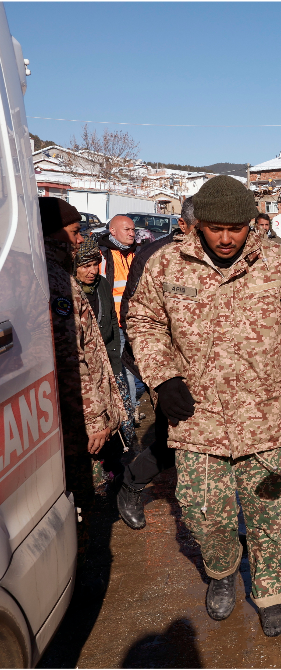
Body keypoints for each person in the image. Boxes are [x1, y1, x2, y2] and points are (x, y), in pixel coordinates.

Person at [127, 176, 281, 637]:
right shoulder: (168, 264)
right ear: (197, 226)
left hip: (263, 416)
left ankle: (270, 594)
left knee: (269, 511)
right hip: (196, 416)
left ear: (251, 223)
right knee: (201, 509)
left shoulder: (278, 263)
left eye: (236, 228)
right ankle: (223, 570)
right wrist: (163, 377)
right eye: (215, 229)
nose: (226, 239)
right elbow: (143, 322)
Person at [40, 197, 125, 573]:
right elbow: (70, 359)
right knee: (82, 496)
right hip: (76, 425)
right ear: (52, 233)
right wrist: (94, 419)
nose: (79, 242)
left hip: (68, 418)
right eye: (74, 233)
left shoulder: (53, 275)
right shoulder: (54, 282)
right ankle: (81, 571)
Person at [115, 198, 198, 530]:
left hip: (205, 368)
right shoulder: (155, 257)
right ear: (182, 225)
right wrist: (161, 375)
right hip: (161, 366)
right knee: (175, 436)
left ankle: (217, 523)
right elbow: (135, 319)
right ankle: (132, 484)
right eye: (202, 229)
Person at [75, 235, 135, 472]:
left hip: (110, 364)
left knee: (121, 417)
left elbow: (110, 318)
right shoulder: (71, 290)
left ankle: (119, 465)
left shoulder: (102, 285)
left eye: (95, 264)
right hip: (87, 371)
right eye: (85, 265)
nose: (92, 270)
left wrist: (115, 364)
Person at [95, 215, 145, 415]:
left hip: (138, 321)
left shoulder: (138, 253)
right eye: (127, 229)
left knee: (141, 364)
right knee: (123, 367)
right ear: (113, 231)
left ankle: (133, 406)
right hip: (116, 324)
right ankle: (130, 410)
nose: (132, 233)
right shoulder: (103, 255)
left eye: (133, 229)